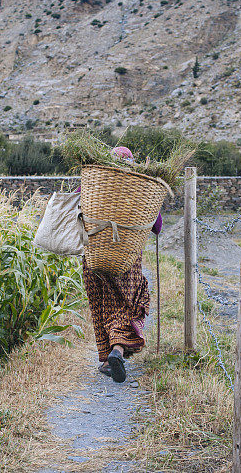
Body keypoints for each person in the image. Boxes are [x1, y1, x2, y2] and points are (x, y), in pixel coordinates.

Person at [80, 146, 162, 383]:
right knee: (130, 303)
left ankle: (107, 359)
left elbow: (78, 207)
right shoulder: (140, 187)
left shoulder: (93, 182)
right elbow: (156, 227)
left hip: (93, 256)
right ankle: (117, 350)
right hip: (125, 257)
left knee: (101, 304)